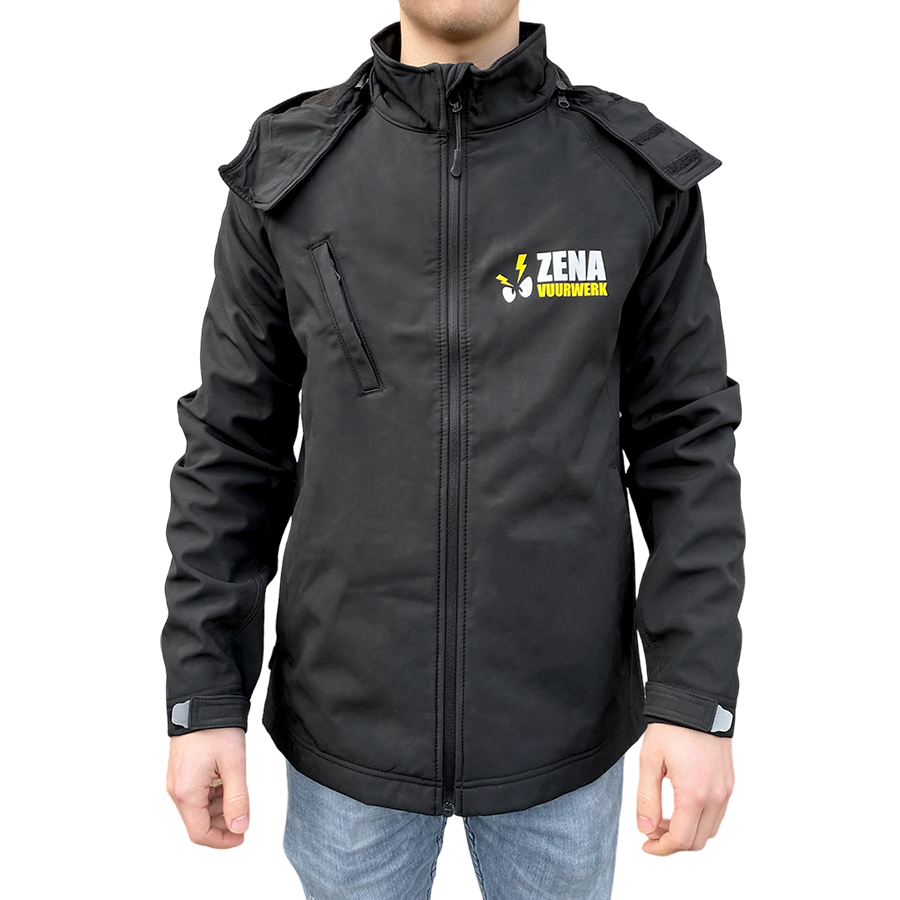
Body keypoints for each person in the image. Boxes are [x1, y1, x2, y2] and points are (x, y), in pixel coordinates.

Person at [163, 1, 744, 896]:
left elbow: (686, 444)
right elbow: (233, 448)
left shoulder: (630, 175)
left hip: (563, 733)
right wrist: (203, 695)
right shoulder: (289, 172)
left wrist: (693, 697)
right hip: (345, 734)